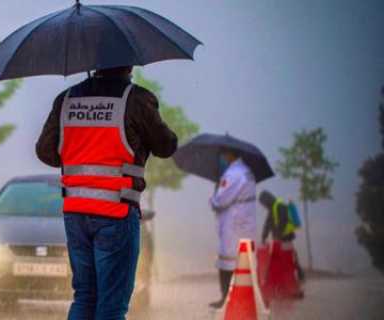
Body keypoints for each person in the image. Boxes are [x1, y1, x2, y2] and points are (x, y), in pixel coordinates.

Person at [36, 66, 177, 320]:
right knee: (112, 304)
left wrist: (80, 148)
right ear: (129, 64)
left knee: (85, 296)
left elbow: (45, 151)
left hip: (76, 214)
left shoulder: (66, 99)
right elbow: (166, 146)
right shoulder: (136, 99)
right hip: (116, 213)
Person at [208, 149, 257, 309]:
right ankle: (243, 298)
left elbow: (221, 200)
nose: (222, 157)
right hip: (245, 221)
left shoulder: (232, 174)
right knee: (244, 261)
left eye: (223, 154)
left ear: (230, 155)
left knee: (227, 261)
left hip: (233, 222)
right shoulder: (247, 171)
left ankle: (227, 298)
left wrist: (213, 200)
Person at [259, 190, 305, 282]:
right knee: (288, 256)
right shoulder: (274, 207)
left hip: (285, 237)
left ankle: (298, 275)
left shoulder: (278, 206)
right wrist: (264, 236)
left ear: (266, 200)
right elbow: (267, 224)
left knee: (288, 256)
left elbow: (280, 221)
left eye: (263, 203)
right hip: (283, 237)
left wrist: (276, 235)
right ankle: (296, 275)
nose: (264, 206)